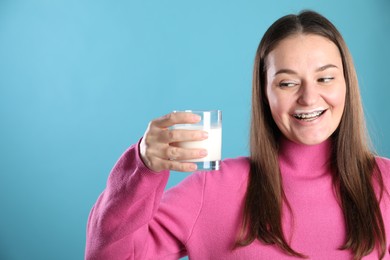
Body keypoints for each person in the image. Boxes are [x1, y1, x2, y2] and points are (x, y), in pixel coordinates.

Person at [85, 10, 390, 259]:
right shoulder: (215, 189)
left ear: (347, 84)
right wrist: (142, 167)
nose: (309, 98)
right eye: (287, 83)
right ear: (264, 93)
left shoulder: (386, 182)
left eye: (325, 78)